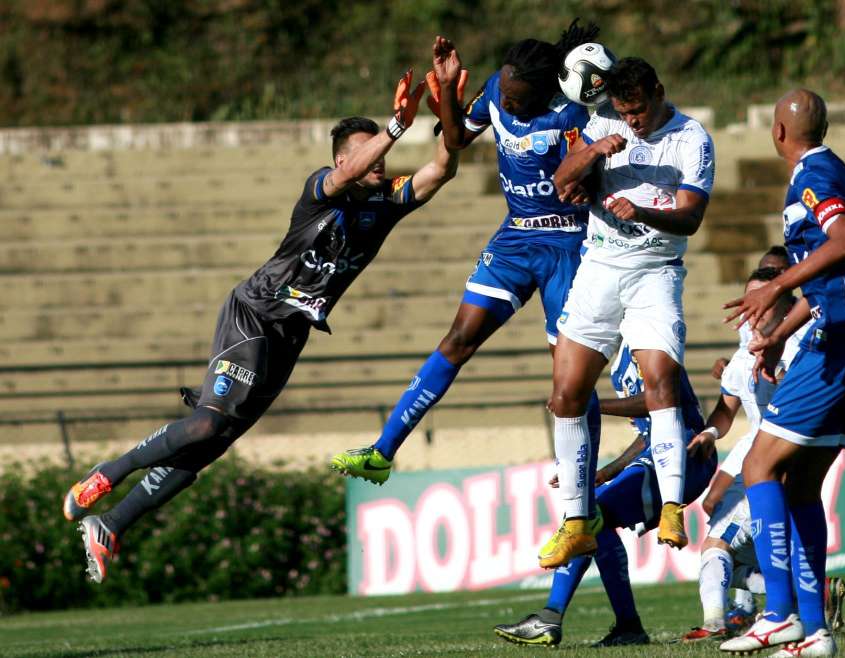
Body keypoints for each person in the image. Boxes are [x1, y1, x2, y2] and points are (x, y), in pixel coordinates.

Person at [61, 55, 460, 583]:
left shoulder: (385, 203)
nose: (380, 162)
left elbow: (440, 170)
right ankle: (108, 474)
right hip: (254, 311)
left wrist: (452, 108)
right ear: (347, 156)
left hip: (290, 334)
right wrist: (393, 127)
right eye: (368, 153)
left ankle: (110, 525)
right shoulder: (320, 190)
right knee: (207, 421)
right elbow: (344, 175)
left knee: (211, 444)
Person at [331, 25, 606, 534]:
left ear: (548, 91)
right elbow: (455, 140)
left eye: (522, 102)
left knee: (569, 376)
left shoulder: (572, 116)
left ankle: (580, 496)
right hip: (515, 239)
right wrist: (449, 92)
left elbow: (587, 175)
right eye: (508, 96)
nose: (511, 105)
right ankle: (382, 450)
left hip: (568, 247)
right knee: (458, 339)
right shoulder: (501, 90)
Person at [719, 89, 845, 658]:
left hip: (840, 343)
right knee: (799, 485)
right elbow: (831, 277)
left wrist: (776, 283)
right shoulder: (828, 170)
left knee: (759, 463)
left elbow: (844, 243)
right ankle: (814, 632)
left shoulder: (813, 175)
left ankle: (777, 614)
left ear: (778, 132)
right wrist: (776, 333)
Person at [544, 57, 715, 566]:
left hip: (655, 271)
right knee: (566, 393)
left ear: (658, 92)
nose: (633, 121)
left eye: (638, 110)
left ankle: (670, 507)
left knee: (660, 383)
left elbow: (691, 218)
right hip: (598, 268)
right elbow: (562, 179)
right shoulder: (604, 124)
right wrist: (594, 148)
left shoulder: (692, 138)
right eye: (624, 111)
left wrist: (641, 210)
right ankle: (575, 521)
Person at [494, 342, 715, 647]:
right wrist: (606, 473)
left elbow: (662, 402)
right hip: (663, 452)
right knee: (592, 515)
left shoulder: (649, 342)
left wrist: (590, 402)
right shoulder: (623, 358)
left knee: (589, 515)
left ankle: (552, 616)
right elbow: (649, 433)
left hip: (685, 453)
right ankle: (627, 626)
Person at [682, 266, 803, 642]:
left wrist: (784, 380)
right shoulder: (743, 353)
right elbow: (727, 408)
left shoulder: (798, 348)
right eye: (749, 298)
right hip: (753, 452)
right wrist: (709, 432)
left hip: (778, 458)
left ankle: (716, 620)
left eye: (762, 300)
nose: (753, 307)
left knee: (718, 543)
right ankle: (806, 594)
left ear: (786, 309)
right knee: (723, 529)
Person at [710, 246, 790, 380]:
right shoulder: (748, 317)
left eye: (781, 270)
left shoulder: (812, 317)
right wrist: (732, 366)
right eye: (766, 270)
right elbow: (747, 354)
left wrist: (774, 370)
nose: (776, 276)